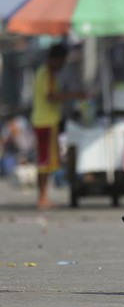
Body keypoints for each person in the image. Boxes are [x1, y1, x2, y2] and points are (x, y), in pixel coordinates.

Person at [31, 44, 83, 210]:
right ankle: (42, 198)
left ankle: (44, 196)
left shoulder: (45, 72)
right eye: (62, 61)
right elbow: (51, 96)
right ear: (55, 59)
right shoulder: (47, 74)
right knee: (44, 162)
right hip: (45, 122)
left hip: (45, 121)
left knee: (46, 162)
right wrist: (74, 95)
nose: (62, 65)